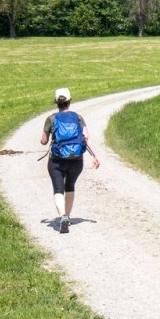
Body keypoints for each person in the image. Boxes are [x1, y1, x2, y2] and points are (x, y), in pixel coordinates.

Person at [40, 87, 100, 233]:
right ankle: (68, 216)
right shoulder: (78, 118)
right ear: (70, 101)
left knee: (58, 188)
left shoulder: (51, 119)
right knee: (70, 186)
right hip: (76, 159)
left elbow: (43, 141)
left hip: (57, 159)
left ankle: (63, 216)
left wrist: (48, 136)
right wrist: (95, 155)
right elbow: (86, 137)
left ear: (56, 102)